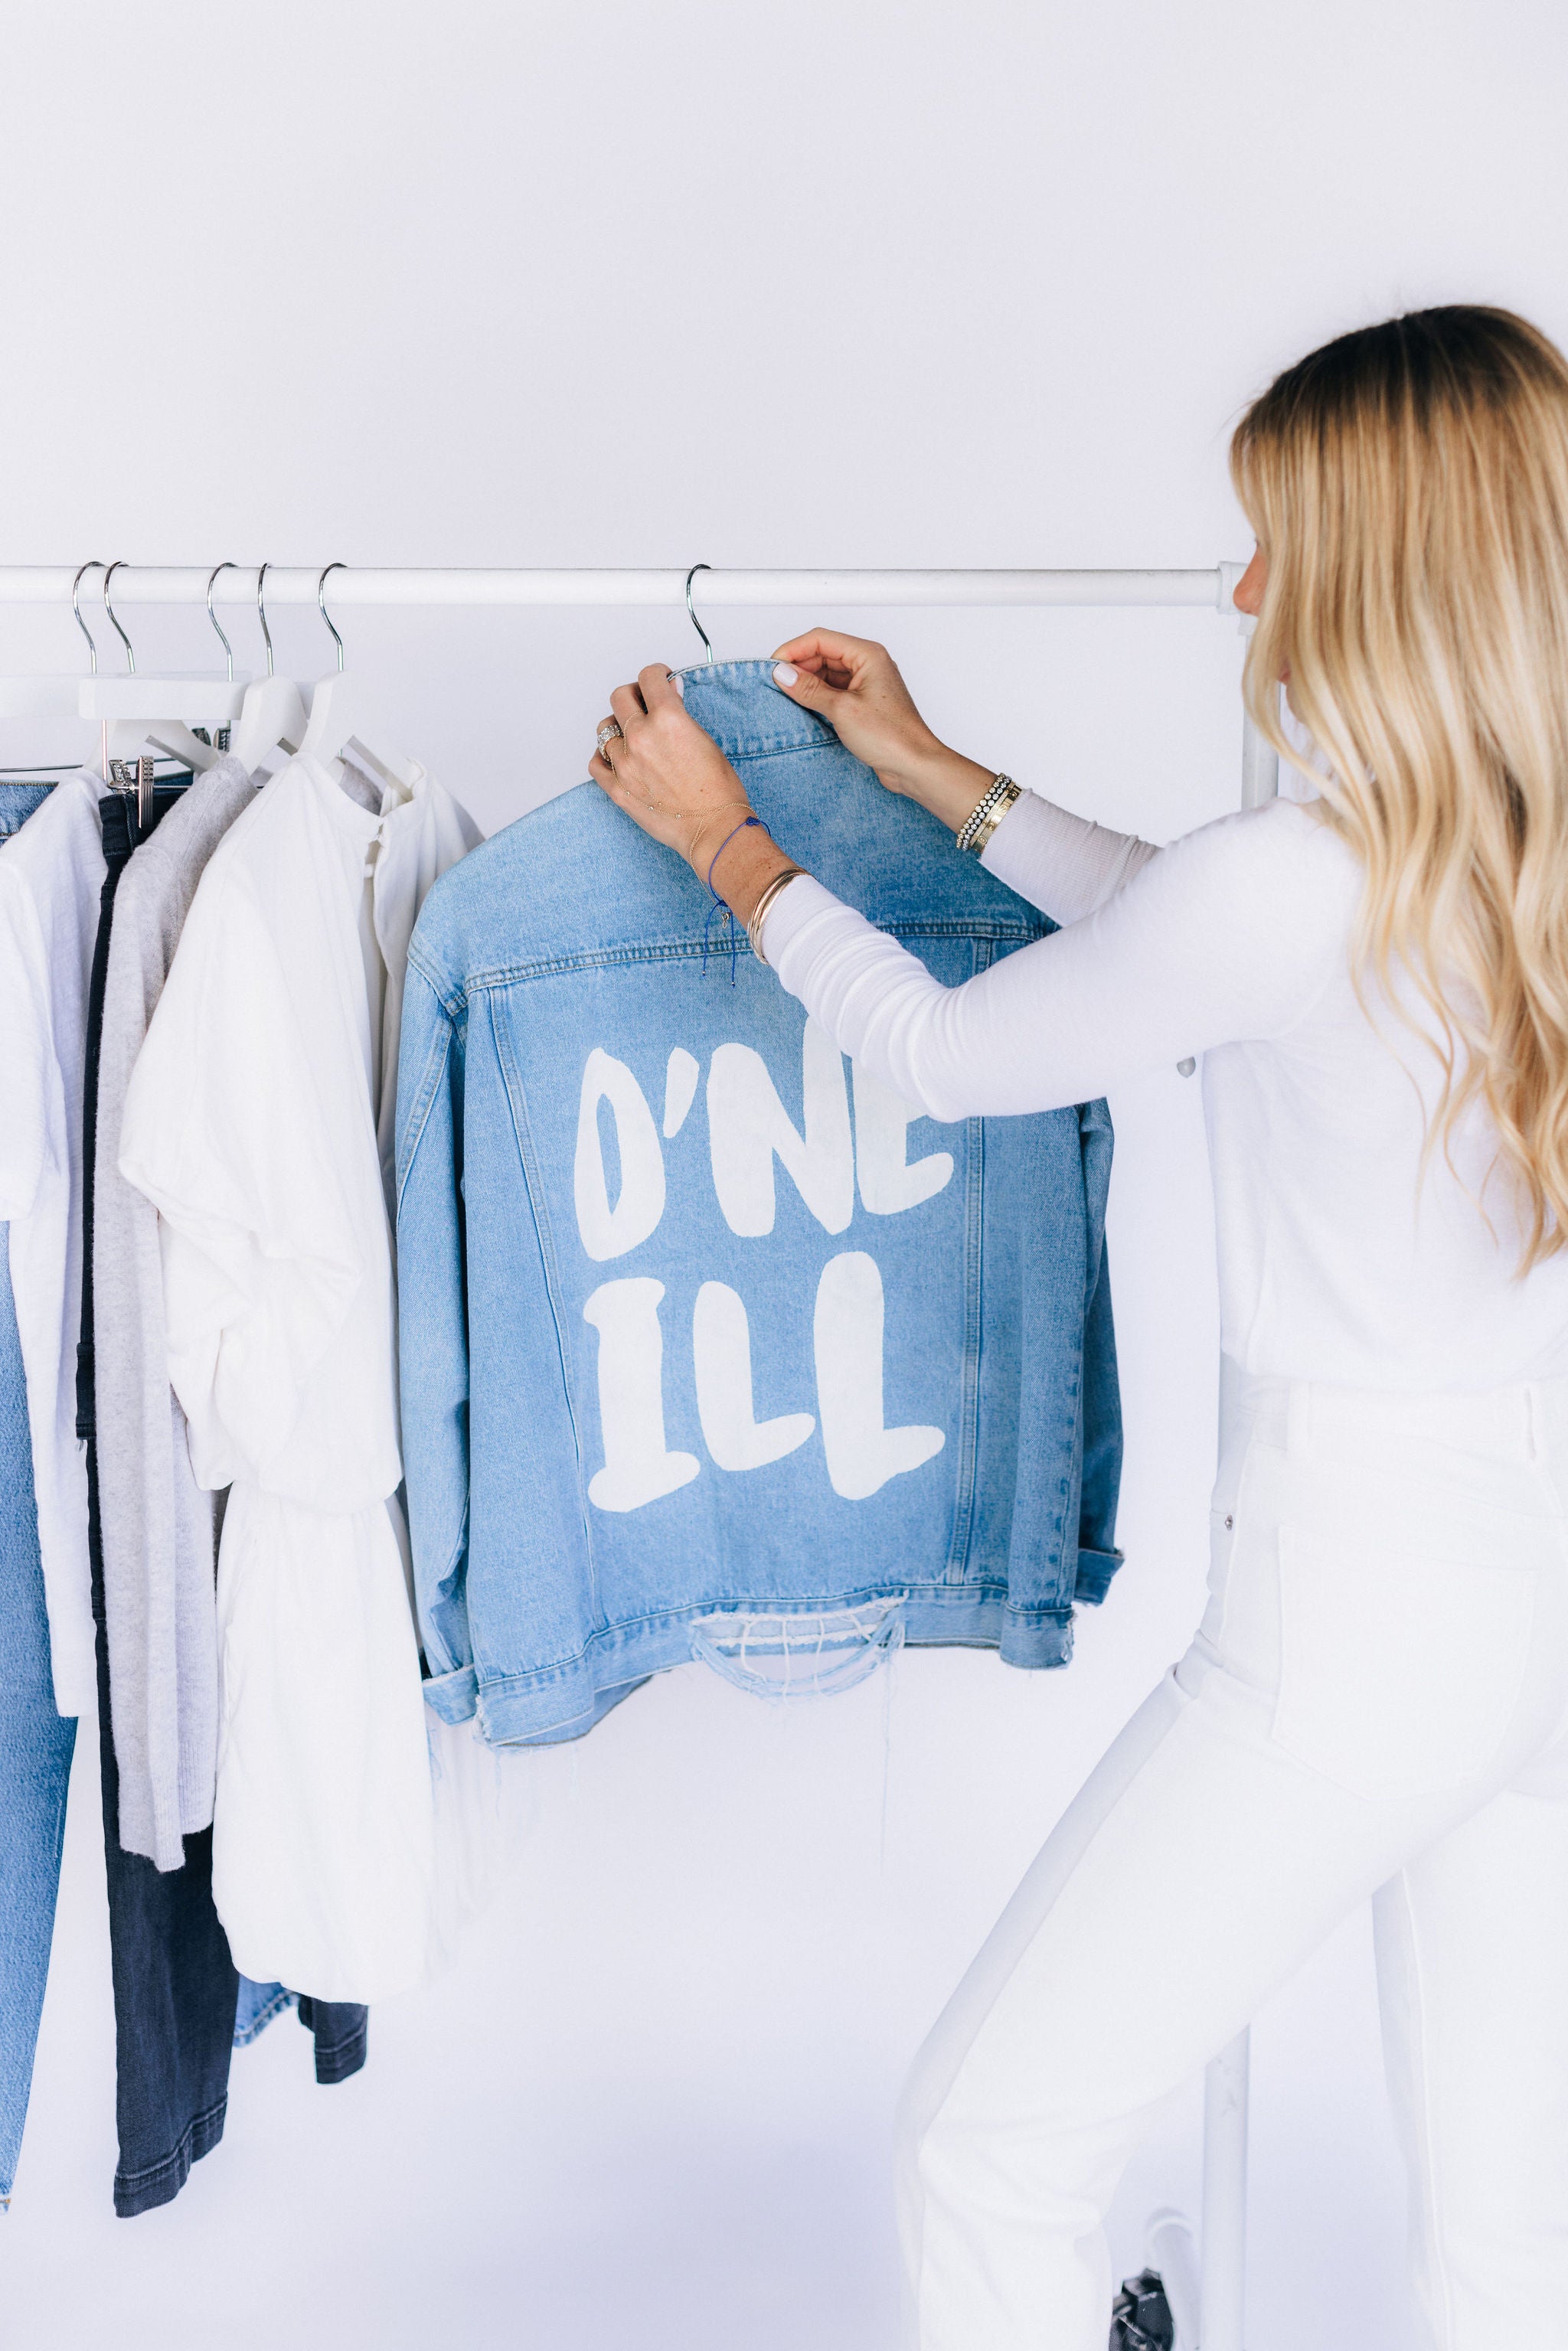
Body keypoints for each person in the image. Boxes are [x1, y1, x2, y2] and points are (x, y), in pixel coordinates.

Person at [588, 305, 1568, 2351]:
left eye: (1275, 542)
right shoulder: (1495, 856)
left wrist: (726, 846)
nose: (1242, 590)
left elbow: (953, 1055)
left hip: (1350, 1629)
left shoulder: (1300, 879)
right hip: (1520, 1608)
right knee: (1510, 2239)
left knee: (986, 2146)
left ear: (1383, 566)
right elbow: (1192, 938)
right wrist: (940, 776)